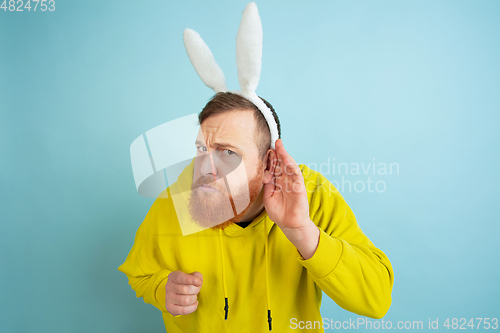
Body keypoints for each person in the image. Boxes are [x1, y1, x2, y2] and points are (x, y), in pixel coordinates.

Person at [118, 92, 394, 333]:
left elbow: (376, 298)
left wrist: (302, 232)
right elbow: (140, 273)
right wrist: (160, 289)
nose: (205, 169)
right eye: (203, 149)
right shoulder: (178, 197)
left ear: (268, 164)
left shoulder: (312, 195)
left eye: (227, 153)